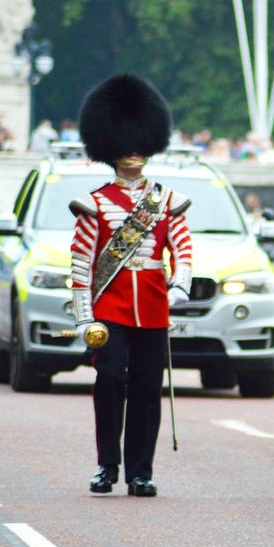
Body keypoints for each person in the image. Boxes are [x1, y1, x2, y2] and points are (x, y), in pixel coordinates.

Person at [70, 73, 193, 497]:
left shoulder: (165, 200)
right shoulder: (96, 202)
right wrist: (85, 315)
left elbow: (183, 248)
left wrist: (181, 284)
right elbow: (81, 263)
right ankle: (107, 465)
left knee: (146, 388)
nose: (135, 151)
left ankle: (140, 470)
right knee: (108, 380)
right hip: (110, 307)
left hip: (154, 308)